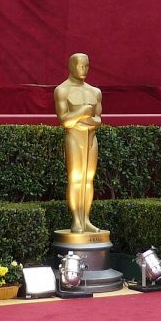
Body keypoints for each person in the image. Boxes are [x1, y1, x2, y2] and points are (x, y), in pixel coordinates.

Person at [54, 53, 102, 234]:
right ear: (71, 66)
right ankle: (76, 219)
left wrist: (81, 119)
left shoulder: (95, 92)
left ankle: (86, 219)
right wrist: (83, 111)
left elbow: (98, 120)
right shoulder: (62, 90)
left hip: (90, 138)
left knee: (88, 180)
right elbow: (64, 121)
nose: (83, 69)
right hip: (73, 138)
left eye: (86, 66)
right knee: (75, 178)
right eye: (80, 66)